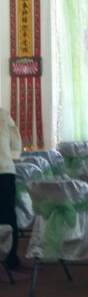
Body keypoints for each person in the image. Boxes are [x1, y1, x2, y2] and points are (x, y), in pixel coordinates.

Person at [0, 107, 22, 270]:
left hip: (4, 170)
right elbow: (15, 142)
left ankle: (11, 256)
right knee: (7, 214)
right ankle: (9, 256)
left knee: (7, 214)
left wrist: (13, 158)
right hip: (5, 169)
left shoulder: (3, 114)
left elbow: (15, 140)